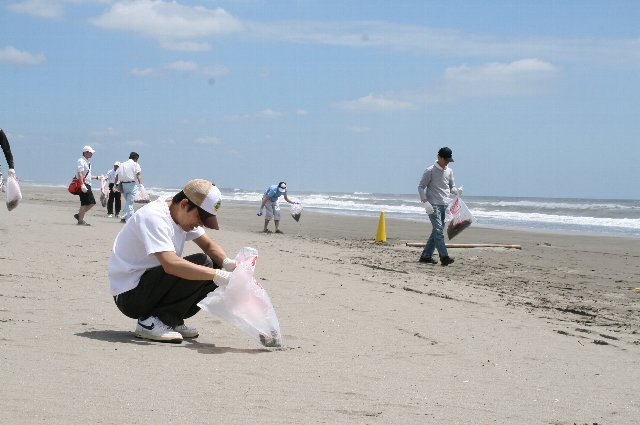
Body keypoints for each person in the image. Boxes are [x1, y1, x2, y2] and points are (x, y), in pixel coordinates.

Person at [108, 179, 236, 343]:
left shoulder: (179, 213)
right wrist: (218, 275)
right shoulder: (154, 217)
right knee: (205, 264)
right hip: (129, 295)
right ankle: (151, 323)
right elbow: (170, 264)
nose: (199, 224)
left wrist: (228, 264)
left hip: (150, 287)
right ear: (184, 204)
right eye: (199, 217)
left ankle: (169, 319)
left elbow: (209, 245)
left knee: (215, 265)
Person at [417, 147, 462, 266]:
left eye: (449, 160)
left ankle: (426, 256)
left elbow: (451, 186)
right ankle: (444, 257)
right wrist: (425, 202)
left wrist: (456, 191)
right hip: (433, 205)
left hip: (445, 205)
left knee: (437, 232)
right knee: (438, 231)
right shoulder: (430, 170)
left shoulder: (449, 171)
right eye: (445, 159)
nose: (447, 162)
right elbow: (421, 186)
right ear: (439, 157)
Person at [74, 145, 101, 226]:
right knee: (86, 203)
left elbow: (87, 175)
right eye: (91, 152)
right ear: (86, 152)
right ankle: (80, 220)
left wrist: (97, 177)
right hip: (84, 184)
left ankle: (79, 216)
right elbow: (80, 173)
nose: (92, 154)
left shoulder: (87, 161)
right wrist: (82, 185)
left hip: (87, 184)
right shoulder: (81, 161)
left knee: (91, 202)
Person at [117, 151, 142, 223]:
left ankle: (129, 217)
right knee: (129, 202)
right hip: (131, 185)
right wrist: (141, 184)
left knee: (128, 202)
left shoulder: (122, 164)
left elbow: (117, 175)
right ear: (136, 158)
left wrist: (116, 184)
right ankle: (127, 218)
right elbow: (138, 175)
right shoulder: (135, 164)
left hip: (123, 185)